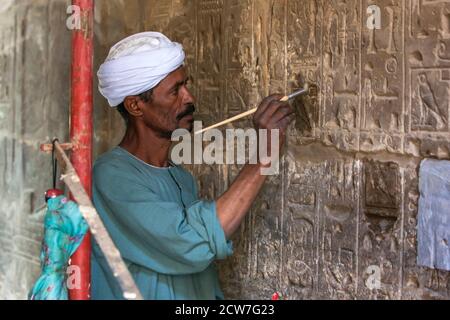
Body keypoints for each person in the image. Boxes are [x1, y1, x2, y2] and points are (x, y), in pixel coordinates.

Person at [92, 31, 295, 299]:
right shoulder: (111, 177)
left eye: (186, 85)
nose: (189, 98)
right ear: (135, 105)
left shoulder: (180, 178)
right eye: (175, 91)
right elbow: (193, 243)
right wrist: (265, 153)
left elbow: (199, 281)